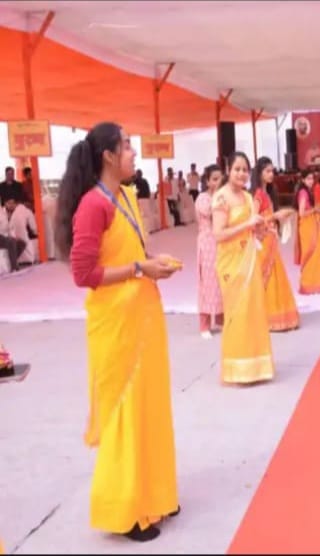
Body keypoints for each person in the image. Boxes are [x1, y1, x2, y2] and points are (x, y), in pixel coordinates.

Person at [54, 122, 181, 542]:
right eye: (127, 146)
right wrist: (139, 268)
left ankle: (156, 494)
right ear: (108, 156)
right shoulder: (93, 205)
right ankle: (125, 510)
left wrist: (152, 263)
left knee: (150, 406)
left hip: (143, 316)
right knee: (126, 412)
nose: (134, 153)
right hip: (117, 325)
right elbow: (83, 273)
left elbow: (131, 253)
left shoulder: (125, 195)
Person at [212, 151, 275, 385]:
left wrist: (263, 229)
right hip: (231, 263)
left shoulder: (248, 198)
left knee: (253, 310)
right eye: (237, 169)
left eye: (245, 170)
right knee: (237, 313)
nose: (241, 174)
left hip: (249, 260)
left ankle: (256, 367)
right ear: (228, 170)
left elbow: (253, 230)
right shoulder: (221, 198)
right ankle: (236, 368)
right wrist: (247, 224)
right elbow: (218, 234)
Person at [251, 156, 300, 332]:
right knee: (268, 277)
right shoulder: (258, 195)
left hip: (270, 240)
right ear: (260, 173)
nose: (271, 174)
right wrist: (275, 216)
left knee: (275, 277)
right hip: (264, 241)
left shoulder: (267, 193)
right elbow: (253, 220)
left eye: (272, 171)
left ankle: (276, 316)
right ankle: (266, 317)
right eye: (267, 171)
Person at [195, 164, 225, 338]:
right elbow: (211, 212)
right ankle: (204, 325)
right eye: (214, 179)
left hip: (222, 242)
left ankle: (221, 319)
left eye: (220, 178)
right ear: (207, 181)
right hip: (207, 244)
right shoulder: (203, 198)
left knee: (222, 279)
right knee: (207, 283)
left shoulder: (222, 196)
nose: (218, 182)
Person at [295, 170, 320, 294]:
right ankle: (309, 282)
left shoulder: (307, 191)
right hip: (307, 226)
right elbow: (301, 213)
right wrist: (315, 210)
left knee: (315, 253)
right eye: (308, 179)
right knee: (310, 252)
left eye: (312, 178)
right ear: (303, 180)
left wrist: (316, 212)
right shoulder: (303, 192)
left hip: (310, 224)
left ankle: (315, 281)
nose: (311, 181)